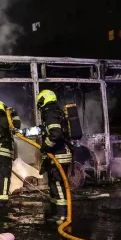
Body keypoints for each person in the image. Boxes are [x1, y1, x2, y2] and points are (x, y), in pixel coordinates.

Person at [36, 89, 73, 224]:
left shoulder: (50, 113)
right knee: (54, 184)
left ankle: (62, 216)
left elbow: (55, 134)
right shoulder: (56, 112)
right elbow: (46, 130)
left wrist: (45, 146)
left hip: (59, 154)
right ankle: (56, 212)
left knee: (58, 184)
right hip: (61, 153)